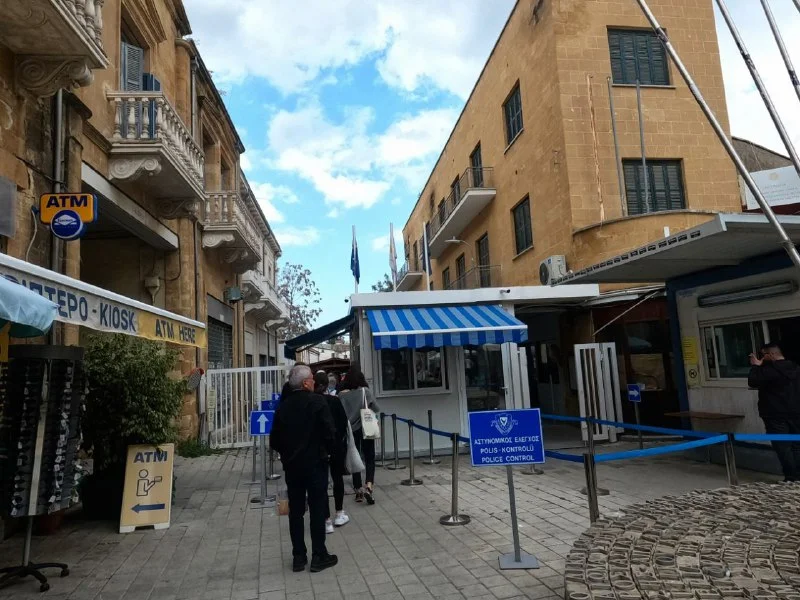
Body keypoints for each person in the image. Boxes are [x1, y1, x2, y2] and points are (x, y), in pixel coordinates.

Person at [270, 365, 338, 572]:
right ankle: (319, 555)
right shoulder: (318, 402)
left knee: (296, 511)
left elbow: (274, 440)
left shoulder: (283, 407)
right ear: (306, 383)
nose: (314, 382)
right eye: (312, 379)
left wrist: (287, 454)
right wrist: (329, 452)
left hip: (293, 467)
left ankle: (298, 556)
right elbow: (330, 433)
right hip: (316, 464)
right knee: (317, 509)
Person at [748, 342, 800, 482]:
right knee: (797, 445)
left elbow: (752, 381)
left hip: (775, 415)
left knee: (782, 446)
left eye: (763, 355)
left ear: (771, 354)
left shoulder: (769, 370)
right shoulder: (796, 368)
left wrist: (755, 366)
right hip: (796, 412)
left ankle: (791, 477)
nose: (762, 358)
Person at [313, 371, 349, 532]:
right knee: (337, 479)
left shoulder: (312, 402)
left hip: (318, 448)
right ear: (327, 385)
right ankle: (339, 513)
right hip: (336, 446)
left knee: (321, 483)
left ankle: (326, 520)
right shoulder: (334, 401)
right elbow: (343, 423)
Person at [338, 365, 380, 504]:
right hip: (366, 428)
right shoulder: (364, 391)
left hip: (351, 430)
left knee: (354, 457)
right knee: (369, 457)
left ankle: (358, 490)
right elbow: (376, 408)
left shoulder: (342, 395)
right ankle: (369, 485)